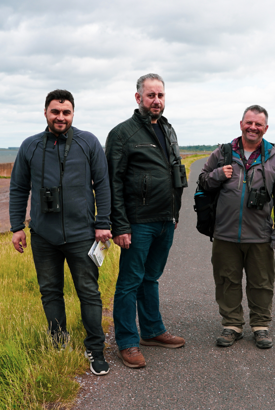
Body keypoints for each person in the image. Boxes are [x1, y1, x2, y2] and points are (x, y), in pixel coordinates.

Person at [9, 89, 112, 376]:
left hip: (83, 234)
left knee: (89, 293)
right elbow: (19, 187)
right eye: (55, 111)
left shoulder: (87, 142)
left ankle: (95, 348)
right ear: (45, 113)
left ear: (73, 114)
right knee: (50, 292)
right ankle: (58, 343)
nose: (60, 117)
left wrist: (103, 222)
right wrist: (17, 226)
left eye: (66, 112)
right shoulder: (30, 146)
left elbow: (102, 184)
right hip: (43, 235)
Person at [105, 73, 188, 368]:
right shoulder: (122, 134)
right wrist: (120, 225)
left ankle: (152, 331)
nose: (156, 100)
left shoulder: (167, 129)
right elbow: (111, 182)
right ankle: (127, 342)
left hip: (166, 220)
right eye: (151, 95)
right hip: (138, 222)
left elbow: (174, 173)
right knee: (129, 282)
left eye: (161, 95)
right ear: (138, 97)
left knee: (150, 278)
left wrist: (175, 214)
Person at [198, 105, 275, 349]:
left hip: (260, 234)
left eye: (258, 124)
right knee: (226, 280)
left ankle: (261, 326)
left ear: (266, 128)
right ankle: (232, 325)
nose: (253, 127)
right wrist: (218, 174)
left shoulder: (274, 159)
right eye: (249, 123)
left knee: (261, 282)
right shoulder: (222, 153)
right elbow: (203, 183)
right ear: (241, 124)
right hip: (225, 232)